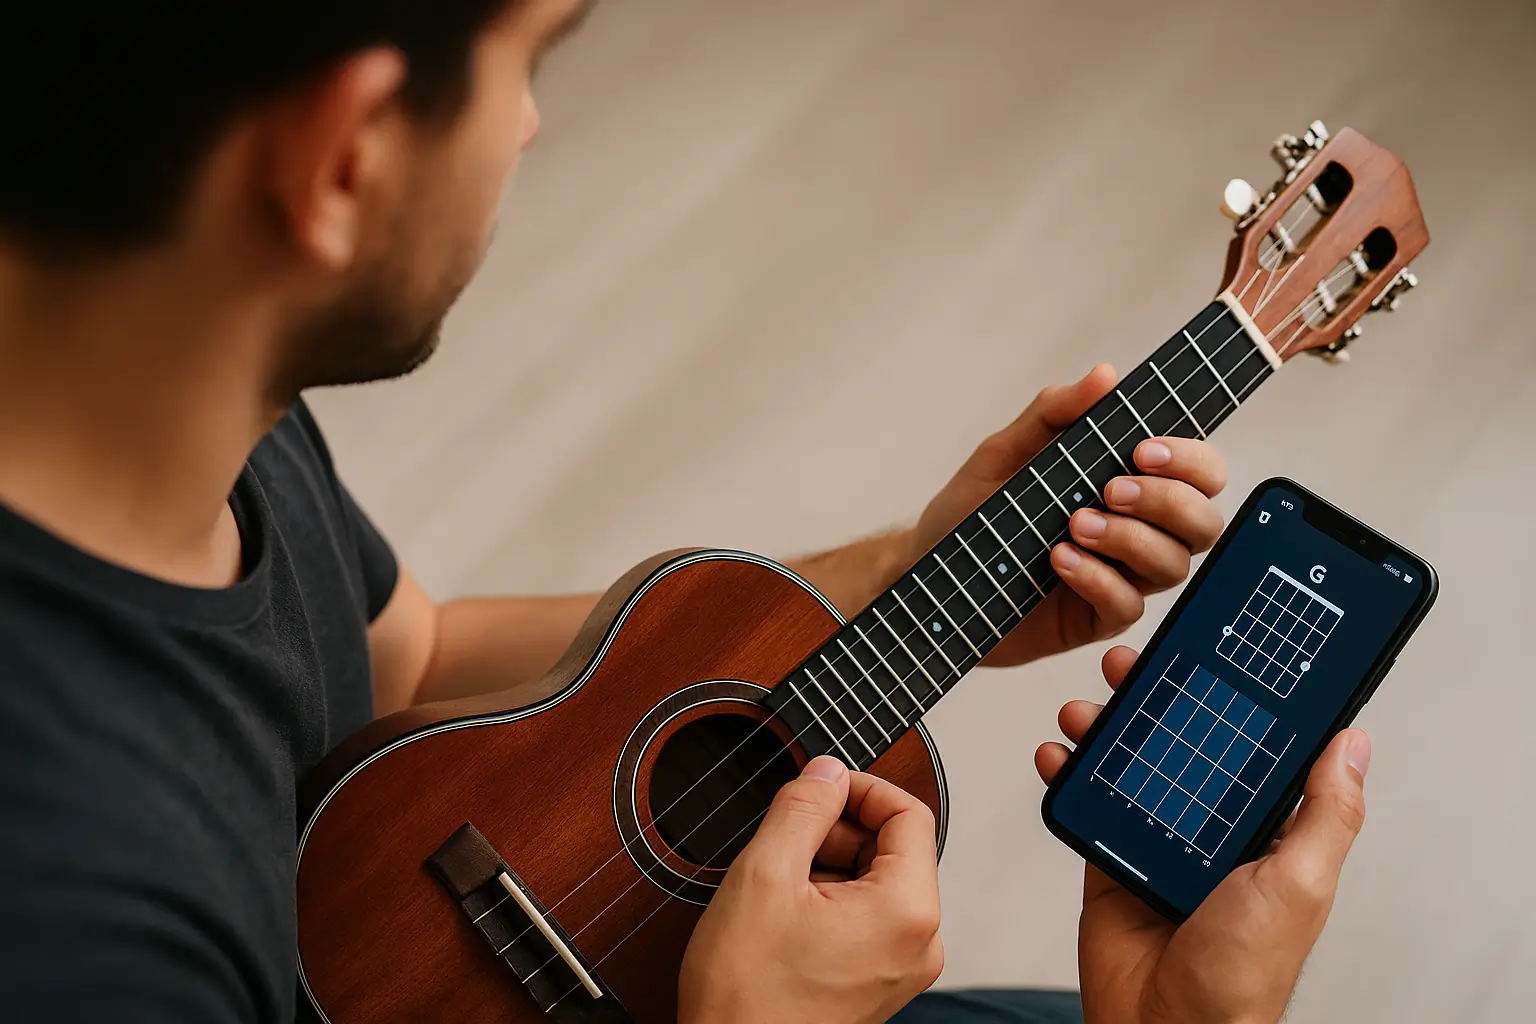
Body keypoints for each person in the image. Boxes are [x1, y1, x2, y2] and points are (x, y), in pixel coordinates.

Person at [0, 1, 1368, 1021]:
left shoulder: (157, 385)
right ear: (345, 157)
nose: (530, 120)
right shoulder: (79, 923)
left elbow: (402, 657)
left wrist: (911, 568)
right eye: (527, 63)